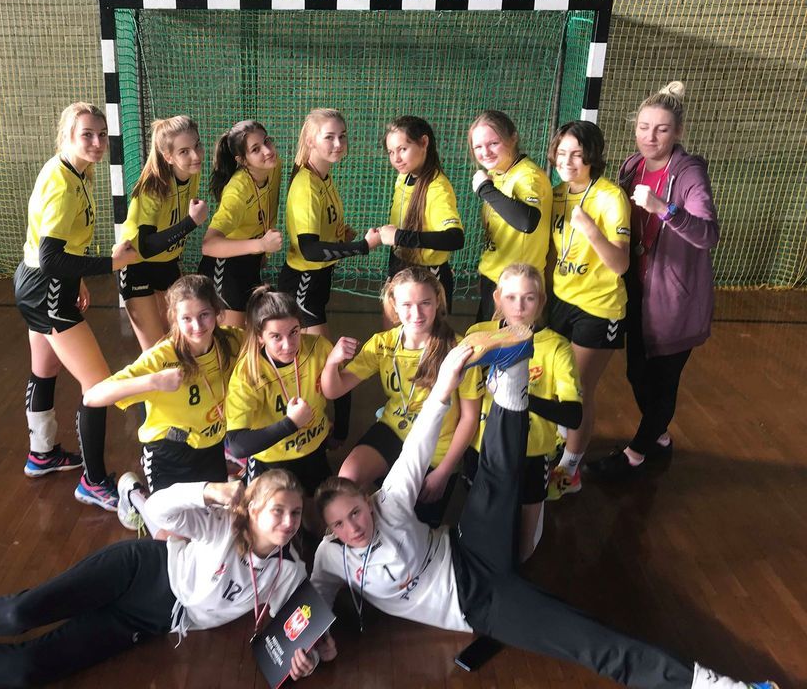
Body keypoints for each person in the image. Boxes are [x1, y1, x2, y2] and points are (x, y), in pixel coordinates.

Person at [311, 336, 779, 689]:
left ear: (367, 499)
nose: (354, 527)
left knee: (494, 481)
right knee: (587, 641)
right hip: (477, 604)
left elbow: (419, 442)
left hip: (465, 549)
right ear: (329, 531)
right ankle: (715, 685)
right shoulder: (331, 558)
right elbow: (312, 605)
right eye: (340, 524)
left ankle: (513, 371)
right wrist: (314, 646)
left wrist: (446, 385)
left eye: (356, 512)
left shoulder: (390, 500)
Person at [0, 472, 335, 689]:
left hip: (148, 621)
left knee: (29, 671)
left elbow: (295, 633)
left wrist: (307, 658)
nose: (288, 521)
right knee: (21, 612)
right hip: (140, 571)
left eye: (295, 514)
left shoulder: (288, 572)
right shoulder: (221, 525)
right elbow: (161, 511)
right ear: (253, 508)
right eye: (278, 510)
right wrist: (209, 490)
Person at [586, 82, 719, 481]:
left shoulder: (689, 172)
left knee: (663, 379)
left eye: (661, 129)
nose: (650, 136)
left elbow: (708, 234)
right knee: (636, 373)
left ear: (677, 132)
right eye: (644, 127)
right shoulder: (632, 166)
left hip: (674, 296)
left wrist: (665, 208)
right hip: (636, 290)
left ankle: (637, 453)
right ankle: (657, 435)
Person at [13, 102, 136, 512]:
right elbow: (52, 258)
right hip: (48, 290)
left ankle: (42, 454)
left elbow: (59, 246)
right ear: (66, 136)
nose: (97, 142)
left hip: (36, 283)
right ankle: (94, 481)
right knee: (98, 386)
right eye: (87, 134)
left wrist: (78, 276)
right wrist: (111, 264)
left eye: (102, 135)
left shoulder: (70, 171)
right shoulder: (63, 185)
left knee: (43, 369)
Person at [321, 266, 483, 526]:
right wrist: (332, 362)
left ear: (438, 301)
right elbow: (334, 389)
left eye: (425, 303)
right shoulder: (383, 343)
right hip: (395, 429)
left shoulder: (458, 350)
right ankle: (358, 542)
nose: (416, 314)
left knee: (415, 525)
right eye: (407, 305)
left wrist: (443, 472)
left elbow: (469, 418)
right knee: (348, 481)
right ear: (394, 305)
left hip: (437, 444)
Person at [464, 263, 582, 561]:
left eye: (529, 298)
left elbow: (573, 416)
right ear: (497, 298)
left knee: (526, 525)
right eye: (511, 297)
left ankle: (522, 562)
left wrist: (519, 398)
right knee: (481, 515)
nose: (519, 306)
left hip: (531, 450)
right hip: (483, 446)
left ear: (541, 301)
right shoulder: (479, 335)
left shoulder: (556, 347)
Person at [84, 275, 241, 497]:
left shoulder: (232, 341)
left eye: (204, 315)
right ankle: (133, 496)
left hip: (212, 446)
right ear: (174, 318)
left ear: (216, 311)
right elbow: (92, 397)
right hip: (168, 453)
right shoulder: (161, 357)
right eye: (186, 318)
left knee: (213, 514)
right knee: (168, 520)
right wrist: (154, 381)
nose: (197, 326)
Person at [278, 108, 381, 443]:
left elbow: (323, 231)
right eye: (329, 137)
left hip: (318, 280)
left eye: (342, 136)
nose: (338, 144)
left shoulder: (323, 176)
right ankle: (334, 434)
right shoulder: (306, 185)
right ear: (311, 141)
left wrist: (343, 235)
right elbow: (309, 249)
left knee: (318, 361)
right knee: (327, 362)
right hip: (304, 283)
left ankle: (323, 429)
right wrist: (361, 247)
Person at [545, 120, 630, 499]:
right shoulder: (556, 194)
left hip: (598, 307)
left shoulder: (610, 198)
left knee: (577, 390)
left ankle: (571, 469)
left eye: (577, 154)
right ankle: (556, 447)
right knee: (553, 382)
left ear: (592, 156)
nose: (568, 161)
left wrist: (591, 229)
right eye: (562, 153)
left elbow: (620, 264)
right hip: (561, 300)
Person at [225, 287, 334, 535]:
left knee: (319, 525)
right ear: (260, 336)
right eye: (276, 337)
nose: (288, 344)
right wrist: (290, 424)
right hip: (271, 463)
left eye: (294, 332)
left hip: (314, 451)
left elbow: (340, 388)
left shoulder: (318, 347)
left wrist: (341, 431)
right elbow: (237, 445)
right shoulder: (248, 373)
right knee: (271, 529)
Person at [118, 116, 209, 352]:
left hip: (167, 263)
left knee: (180, 343)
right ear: (168, 157)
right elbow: (146, 247)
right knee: (156, 352)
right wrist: (191, 222)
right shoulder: (152, 188)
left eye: (197, 145)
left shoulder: (191, 173)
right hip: (137, 265)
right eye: (184, 151)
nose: (196, 155)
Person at [198, 120, 284, 328]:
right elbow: (208, 245)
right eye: (256, 149)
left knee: (250, 338)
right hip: (225, 268)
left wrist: (262, 252)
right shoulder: (237, 191)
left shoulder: (274, 166)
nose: (267, 151)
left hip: (250, 263)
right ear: (242, 160)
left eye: (267, 141)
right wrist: (261, 245)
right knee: (230, 341)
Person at [469, 110, 552, 322]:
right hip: (495, 278)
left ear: (513, 138)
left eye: (493, 143)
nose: (485, 152)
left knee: (506, 343)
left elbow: (527, 221)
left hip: (518, 288)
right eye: (478, 147)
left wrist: (485, 190)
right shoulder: (497, 173)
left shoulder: (528, 176)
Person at [376, 115, 464, 313]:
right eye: (391, 152)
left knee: (424, 331)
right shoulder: (403, 177)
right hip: (400, 266)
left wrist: (399, 236)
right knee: (393, 328)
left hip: (428, 275)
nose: (396, 158)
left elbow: (455, 238)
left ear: (424, 143)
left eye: (402, 149)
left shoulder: (437, 187)